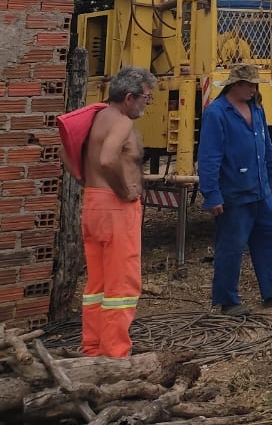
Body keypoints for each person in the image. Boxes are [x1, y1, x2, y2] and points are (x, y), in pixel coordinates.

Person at [198, 62, 272, 316]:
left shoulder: (256, 109)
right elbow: (209, 157)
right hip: (234, 192)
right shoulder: (217, 113)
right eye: (250, 85)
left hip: (260, 190)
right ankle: (227, 300)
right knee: (231, 245)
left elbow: (266, 144)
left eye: (256, 85)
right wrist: (211, 193)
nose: (254, 89)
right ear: (235, 85)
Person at [81, 64, 156, 358]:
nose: (147, 106)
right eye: (146, 99)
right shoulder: (122, 122)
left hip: (93, 203)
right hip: (116, 209)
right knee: (121, 286)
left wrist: (82, 178)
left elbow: (67, 148)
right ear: (129, 97)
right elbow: (108, 158)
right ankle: (115, 354)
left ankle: (93, 348)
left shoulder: (96, 115)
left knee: (97, 285)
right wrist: (124, 190)